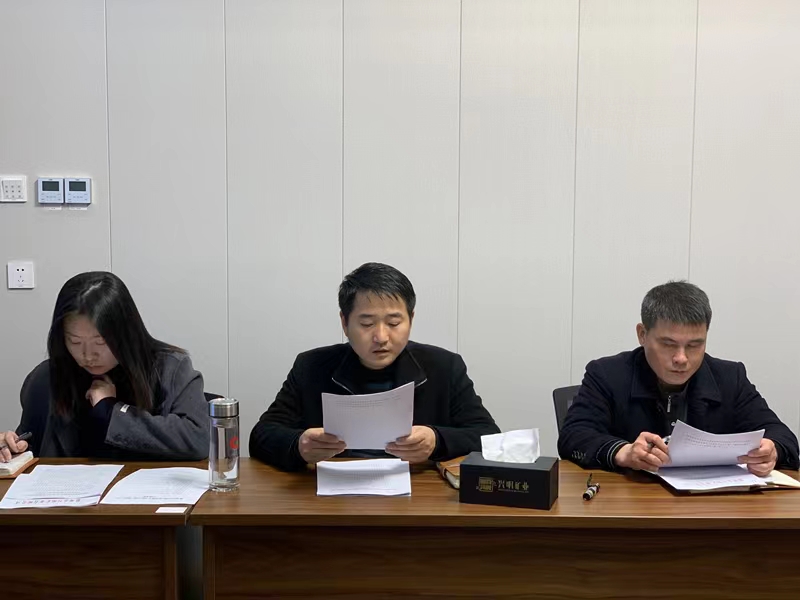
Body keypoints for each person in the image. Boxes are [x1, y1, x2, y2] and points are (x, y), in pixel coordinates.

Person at [250, 262, 500, 471]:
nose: (381, 337)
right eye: (367, 324)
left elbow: (489, 437)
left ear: (411, 319)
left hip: (418, 498)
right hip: (331, 498)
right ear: (344, 323)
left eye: (394, 323)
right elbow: (261, 435)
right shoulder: (311, 367)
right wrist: (299, 445)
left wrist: (437, 440)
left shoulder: (444, 367)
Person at [558, 281, 799, 476]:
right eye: (668, 344)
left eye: (694, 345)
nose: (681, 358)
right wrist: (623, 452)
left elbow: (782, 436)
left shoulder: (729, 378)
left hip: (709, 507)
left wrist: (772, 451)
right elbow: (573, 436)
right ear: (642, 334)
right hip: (632, 503)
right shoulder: (607, 374)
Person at [0, 271, 209, 462]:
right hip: (68, 491)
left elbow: (198, 439)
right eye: (75, 342)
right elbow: (31, 444)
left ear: (126, 334)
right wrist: (12, 449)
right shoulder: (46, 378)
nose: (88, 355)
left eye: (100, 342)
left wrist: (111, 410)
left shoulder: (170, 369)